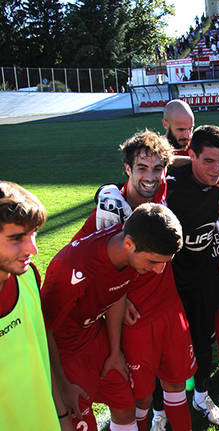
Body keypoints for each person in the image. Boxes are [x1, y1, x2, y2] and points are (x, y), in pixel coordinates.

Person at [77, 131, 196, 431]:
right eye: (141, 168)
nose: (150, 176)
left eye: (157, 169)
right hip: (135, 321)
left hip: (170, 310)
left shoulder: (161, 189)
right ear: (127, 169)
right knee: (140, 398)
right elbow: (78, 267)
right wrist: (117, 297)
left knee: (175, 384)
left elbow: (183, 161)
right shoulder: (107, 214)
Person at [42, 204, 183, 431]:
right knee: (80, 422)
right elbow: (44, 331)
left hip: (95, 338)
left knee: (125, 405)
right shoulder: (71, 270)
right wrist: (62, 384)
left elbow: (118, 291)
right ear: (128, 245)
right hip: (63, 353)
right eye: (154, 262)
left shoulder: (130, 246)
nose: (159, 271)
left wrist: (115, 351)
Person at [164, 125, 219, 426]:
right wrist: (107, 190)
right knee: (165, 344)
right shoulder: (171, 181)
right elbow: (131, 181)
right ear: (190, 154)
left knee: (204, 339)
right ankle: (160, 407)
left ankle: (202, 395)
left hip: (205, 272)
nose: (216, 168)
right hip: (167, 277)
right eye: (208, 160)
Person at [0, 182, 65, 430]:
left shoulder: (27, 276)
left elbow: (40, 345)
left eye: (33, 234)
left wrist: (61, 413)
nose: (33, 249)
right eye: (16, 238)